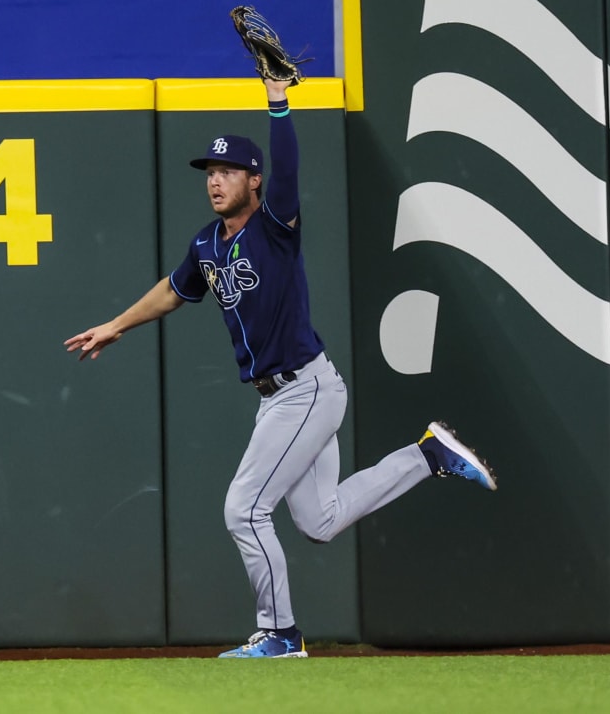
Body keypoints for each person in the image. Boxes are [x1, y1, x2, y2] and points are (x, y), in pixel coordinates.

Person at [64, 77, 497, 659]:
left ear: (254, 178)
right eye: (209, 171)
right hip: (285, 397)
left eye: (228, 170)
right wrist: (117, 324)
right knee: (320, 520)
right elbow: (174, 289)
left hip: (305, 390)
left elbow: (288, 160)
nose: (215, 179)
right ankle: (428, 455)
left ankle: (281, 633)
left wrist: (278, 98)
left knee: (243, 509)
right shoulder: (206, 246)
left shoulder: (275, 226)